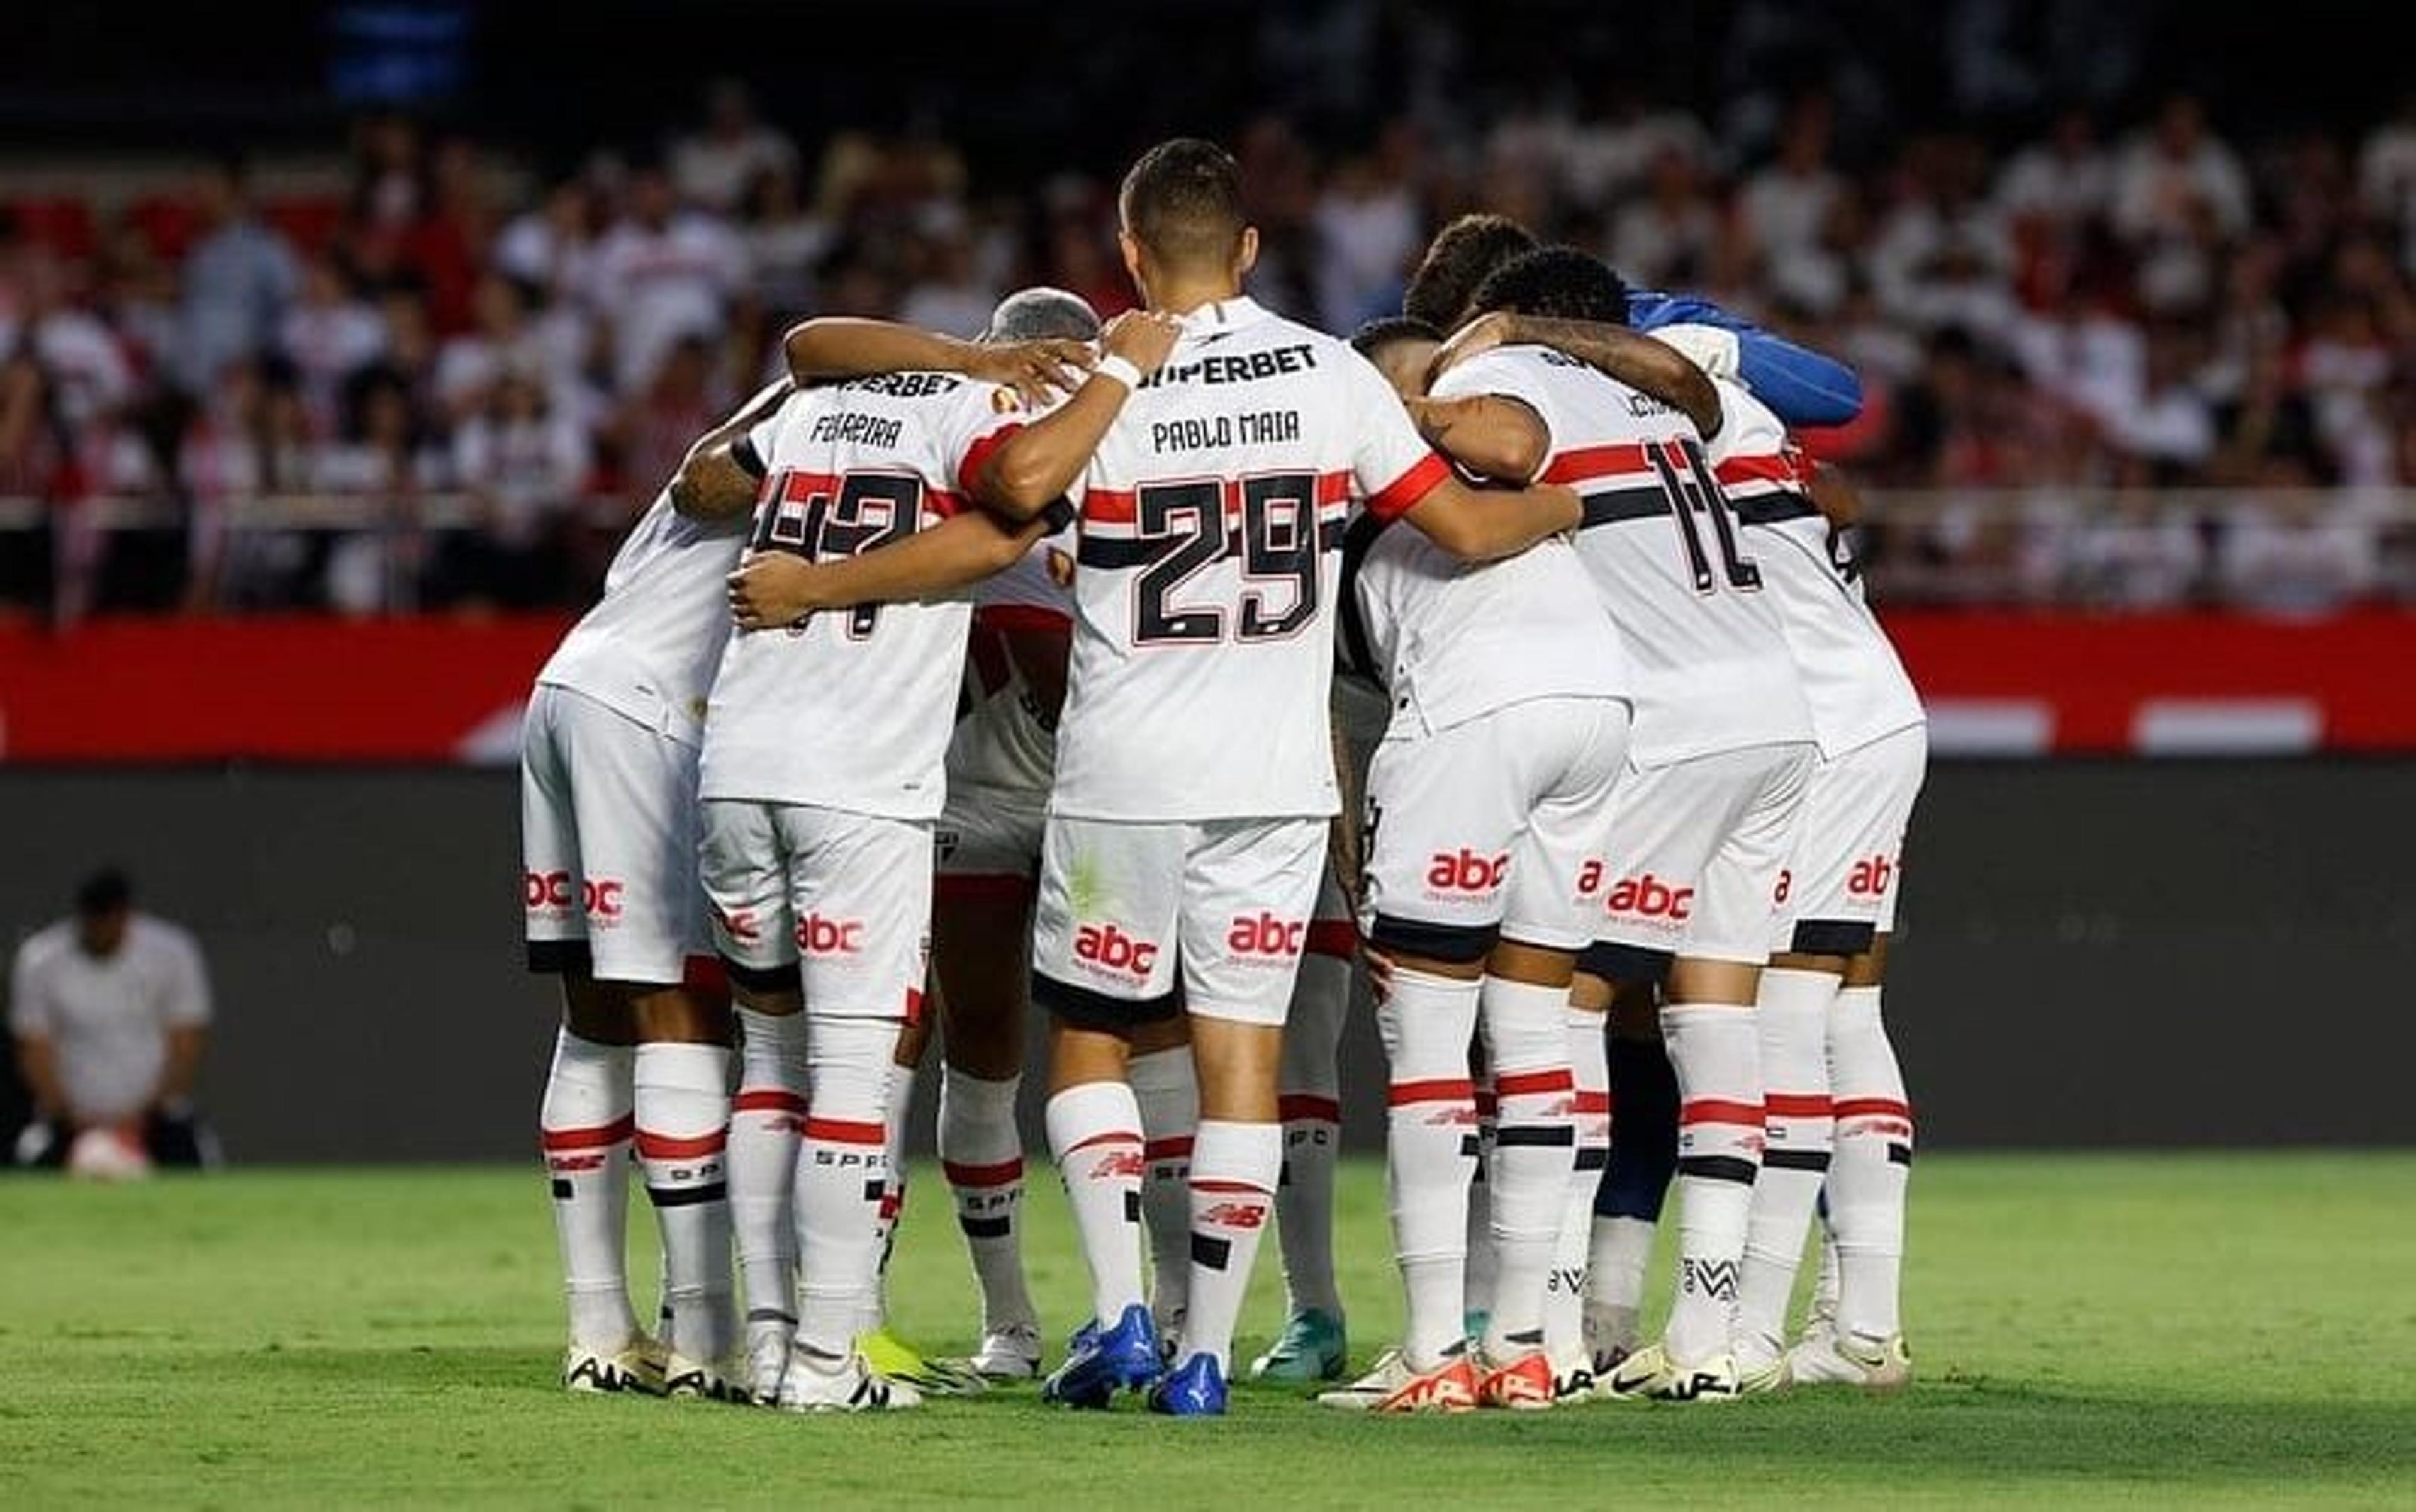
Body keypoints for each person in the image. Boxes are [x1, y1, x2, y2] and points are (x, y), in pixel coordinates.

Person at [1023, 139, 1586, 1418]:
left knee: (1095, 1034)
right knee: (1244, 1062)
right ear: (1251, 249)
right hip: (1276, 776)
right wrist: (1563, 509)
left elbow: (1033, 500)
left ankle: (1122, 1315)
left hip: (1127, 765)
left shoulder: (1106, 387)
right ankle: (1209, 1357)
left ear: (1127, 253)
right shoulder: (1332, 376)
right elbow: (1464, 525)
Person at [683, 288, 1159, 1412]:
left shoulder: (821, 408)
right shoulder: (983, 415)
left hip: (742, 759)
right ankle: (827, 1362)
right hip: (864, 782)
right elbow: (1017, 497)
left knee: (770, 1062)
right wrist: (1108, 383)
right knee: (855, 1071)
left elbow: (748, 419)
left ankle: (768, 1342)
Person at [1437, 247, 1819, 1403]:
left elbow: (1493, 450)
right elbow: (1702, 388)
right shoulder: (1656, 393)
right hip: (1777, 717)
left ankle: (1541, 1324)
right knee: (1716, 1018)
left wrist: (1431, 385)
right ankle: (1705, 1339)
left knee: (1555, 999)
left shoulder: (1518, 386)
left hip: (1676, 724)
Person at [1316, 313, 1711, 1414]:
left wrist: (1357, 852)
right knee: (1537, 1034)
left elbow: (1336, 709)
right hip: (1597, 707)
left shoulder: (1356, 489)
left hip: (1478, 716)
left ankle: (1437, 1349)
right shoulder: (1500, 462)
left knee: (1431, 1047)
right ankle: (1525, 1343)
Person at [520, 381, 789, 1401]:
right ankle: (703, 1334)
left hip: (572, 682)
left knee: (594, 1015)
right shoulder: (856, 418)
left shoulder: (791, 409)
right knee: (680, 1005)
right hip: (652, 706)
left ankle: (601, 1325)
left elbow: (702, 471)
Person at [11, 870, 216, 1172]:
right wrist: (76, 1119)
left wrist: (139, 1119)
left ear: (125, 916)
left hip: (156, 1119)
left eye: (110, 921)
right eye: (94, 922)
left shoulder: (173, 951)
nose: (101, 931)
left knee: (192, 1163)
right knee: (31, 1167)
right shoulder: (40, 959)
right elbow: (33, 1051)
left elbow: (186, 1045)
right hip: (68, 1122)